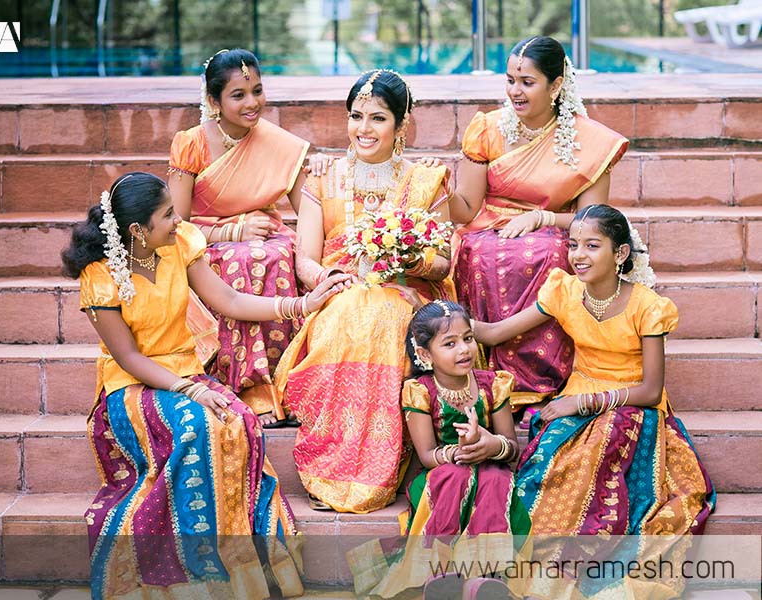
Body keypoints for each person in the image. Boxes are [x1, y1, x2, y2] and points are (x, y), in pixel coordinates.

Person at [61, 172, 349, 600]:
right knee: (198, 426)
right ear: (138, 230)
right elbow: (130, 358)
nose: (178, 219)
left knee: (238, 422)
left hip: (185, 371)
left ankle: (237, 563)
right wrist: (191, 390)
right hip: (132, 386)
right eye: (167, 215)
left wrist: (302, 304)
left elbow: (229, 301)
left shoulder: (180, 245)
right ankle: (191, 568)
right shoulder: (100, 275)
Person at [474, 204, 715, 599]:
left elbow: (652, 389)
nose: (578, 255)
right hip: (577, 395)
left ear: (620, 254)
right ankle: (523, 573)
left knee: (600, 445)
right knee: (548, 464)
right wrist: (438, 317)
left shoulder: (647, 307)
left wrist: (584, 404)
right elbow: (496, 333)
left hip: (633, 404)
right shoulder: (565, 291)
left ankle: (572, 578)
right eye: (573, 245)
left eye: (592, 245)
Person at [274, 70, 455, 513]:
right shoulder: (323, 178)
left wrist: (411, 262)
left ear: (400, 125)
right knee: (355, 314)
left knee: (387, 317)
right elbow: (306, 260)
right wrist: (328, 279)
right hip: (342, 295)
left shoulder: (427, 181)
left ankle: (377, 466)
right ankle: (332, 463)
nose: (364, 129)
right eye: (356, 116)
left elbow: (445, 260)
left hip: (406, 295)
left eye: (377, 118)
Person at [450, 36, 629, 425]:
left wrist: (543, 218)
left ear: (556, 85)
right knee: (479, 252)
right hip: (488, 228)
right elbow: (464, 210)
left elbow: (594, 217)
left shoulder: (589, 140)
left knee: (546, 254)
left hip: (558, 229)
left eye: (527, 82)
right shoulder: (488, 128)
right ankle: (484, 378)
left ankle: (537, 382)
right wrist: (433, 188)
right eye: (511, 80)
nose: (515, 91)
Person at [347, 300, 531, 599]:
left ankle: (485, 577)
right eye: (450, 343)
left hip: (489, 469)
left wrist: (490, 444)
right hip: (442, 476)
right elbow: (427, 455)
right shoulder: (420, 390)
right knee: (455, 478)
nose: (464, 350)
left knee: (496, 480)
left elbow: (511, 449)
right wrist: (457, 453)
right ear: (424, 354)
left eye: (468, 339)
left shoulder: (491, 385)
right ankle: (440, 572)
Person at [168, 49, 310, 428]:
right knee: (240, 260)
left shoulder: (278, 143)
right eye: (238, 95)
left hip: (267, 234)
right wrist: (231, 231)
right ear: (213, 101)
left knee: (280, 253)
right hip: (206, 242)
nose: (253, 103)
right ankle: (245, 388)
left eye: (258, 91)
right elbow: (176, 225)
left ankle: (286, 385)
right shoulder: (191, 144)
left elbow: (309, 205)